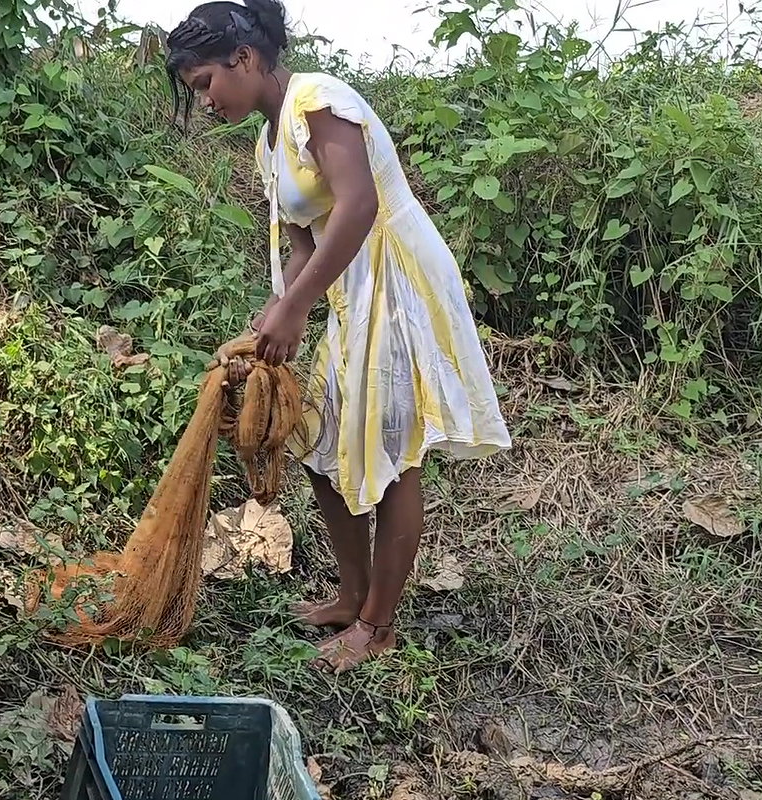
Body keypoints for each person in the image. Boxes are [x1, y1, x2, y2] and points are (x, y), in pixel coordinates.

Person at [166, 0, 512, 673]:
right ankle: (353, 594)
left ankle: (378, 625)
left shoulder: (317, 99)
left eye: (206, 82)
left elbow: (359, 207)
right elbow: (306, 247)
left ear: (245, 58)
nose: (205, 101)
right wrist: (272, 314)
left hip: (398, 281)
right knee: (320, 439)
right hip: (354, 288)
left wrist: (296, 310)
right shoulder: (269, 141)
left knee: (391, 451)